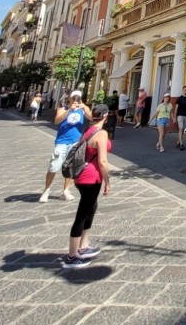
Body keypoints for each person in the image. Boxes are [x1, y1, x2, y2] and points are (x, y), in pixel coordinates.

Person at [62, 104, 112, 270]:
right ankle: (72, 255)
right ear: (105, 116)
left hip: (82, 175)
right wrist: (108, 182)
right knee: (83, 213)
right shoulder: (102, 133)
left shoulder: (88, 130)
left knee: (91, 208)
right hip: (91, 177)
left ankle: (83, 246)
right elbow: (103, 161)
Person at [39, 90, 92, 203]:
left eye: (78, 98)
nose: (76, 100)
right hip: (62, 142)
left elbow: (92, 118)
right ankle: (46, 190)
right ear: (70, 99)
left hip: (75, 142)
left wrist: (84, 107)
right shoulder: (62, 109)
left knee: (71, 168)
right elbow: (57, 121)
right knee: (53, 167)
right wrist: (69, 109)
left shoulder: (82, 110)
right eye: (74, 98)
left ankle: (66, 191)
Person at [172, 86, 186, 150]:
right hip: (180, 115)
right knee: (180, 129)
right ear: (182, 90)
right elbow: (176, 108)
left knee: (183, 130)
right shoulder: (179, 98)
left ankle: (178, 142)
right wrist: (174, 117)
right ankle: (181, 144)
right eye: (185, 90)